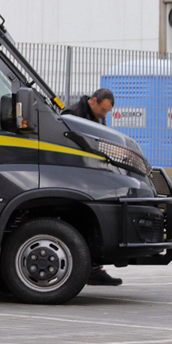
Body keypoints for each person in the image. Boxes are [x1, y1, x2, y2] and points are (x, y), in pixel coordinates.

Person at [62, 87, 122, 286]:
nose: (104, 115)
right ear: (94, 101)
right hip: (74, 176)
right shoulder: (73, 115)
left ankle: (94, 269)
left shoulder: (96, 117)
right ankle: (89, 269)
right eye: (103, 110)